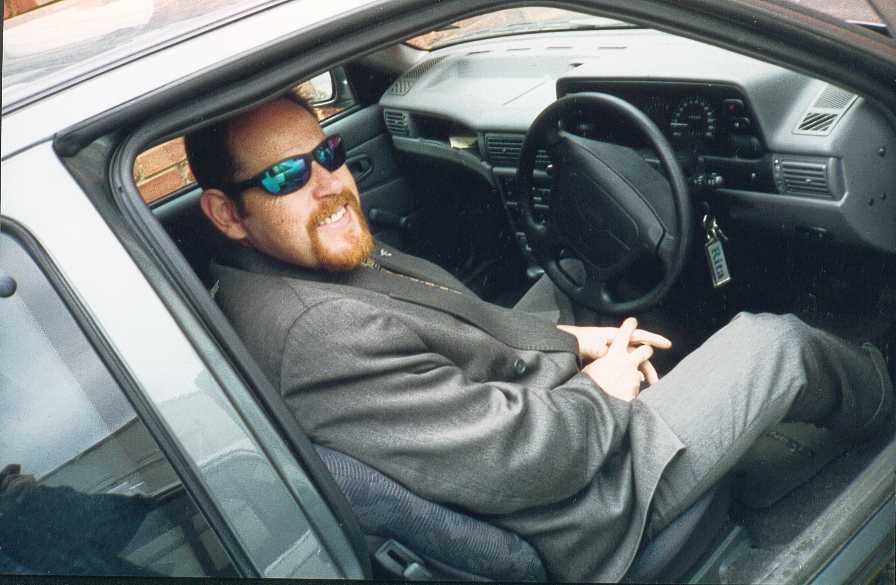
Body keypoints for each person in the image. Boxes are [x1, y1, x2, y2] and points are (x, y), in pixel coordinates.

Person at [185, 93, 893, 582]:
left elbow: (456, 325)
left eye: (329, 151)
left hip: (510, 419)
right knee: (776, 346)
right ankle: (881, 391)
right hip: (581, 510)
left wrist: (575, 340)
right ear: (225, 212)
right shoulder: (320, 335)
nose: (328, 184)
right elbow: (525, 464)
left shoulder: (267, 274)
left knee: (579, 277)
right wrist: (604, 388)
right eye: (286, 176)